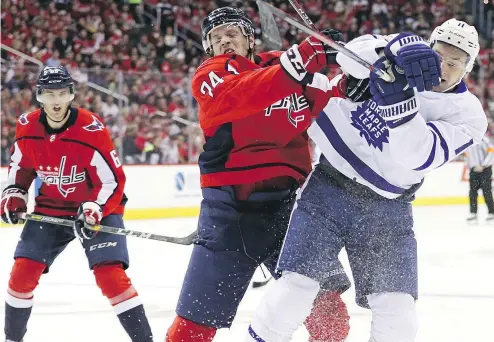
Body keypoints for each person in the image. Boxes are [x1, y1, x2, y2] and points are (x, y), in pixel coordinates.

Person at [246, 19, 486, 342]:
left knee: (398, 317)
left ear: (467, 70)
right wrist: (393, 49)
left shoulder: (468, 114)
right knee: (294, 291)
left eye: (455, 63)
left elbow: (418, 154)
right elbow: (347, 56)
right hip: (330, 185)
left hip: (387, 211)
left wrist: (394, 95)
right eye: (438, 55)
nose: (443, 66)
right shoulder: (403, 48)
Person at [166, 7, 352, 342]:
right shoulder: (210, 75)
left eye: (232, 33)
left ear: (250, 39)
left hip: (292, 211)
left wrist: (353, 80)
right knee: (192, 329)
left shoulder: (286, 68)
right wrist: (299, 60)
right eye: (216, 37)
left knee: (330, 317)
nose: (225, 40)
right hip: (229, 214)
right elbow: (242, 93)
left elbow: (330, 95)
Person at [1, 66, 154, 342]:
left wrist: (94, 208)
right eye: (49, 94)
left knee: (111, 276)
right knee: (21, 275)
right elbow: (21, 167)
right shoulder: (26, 125)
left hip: (96, 208)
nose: (56, 101)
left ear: (71, 94)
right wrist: (14, 193)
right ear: (40, 97)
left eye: (62, 93)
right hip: (50, 208)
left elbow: (113, 181)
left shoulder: (91, 128)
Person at [465, 135, 494, 223]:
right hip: (474, 170)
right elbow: (467, 155)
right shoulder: (467, 141)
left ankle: (491, 212)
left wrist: (483, 165)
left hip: (485, 169)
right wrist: (472, 166)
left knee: (486, 191)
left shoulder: (484, 139)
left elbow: (491, 152)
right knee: (472, 192)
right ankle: (473, 213)